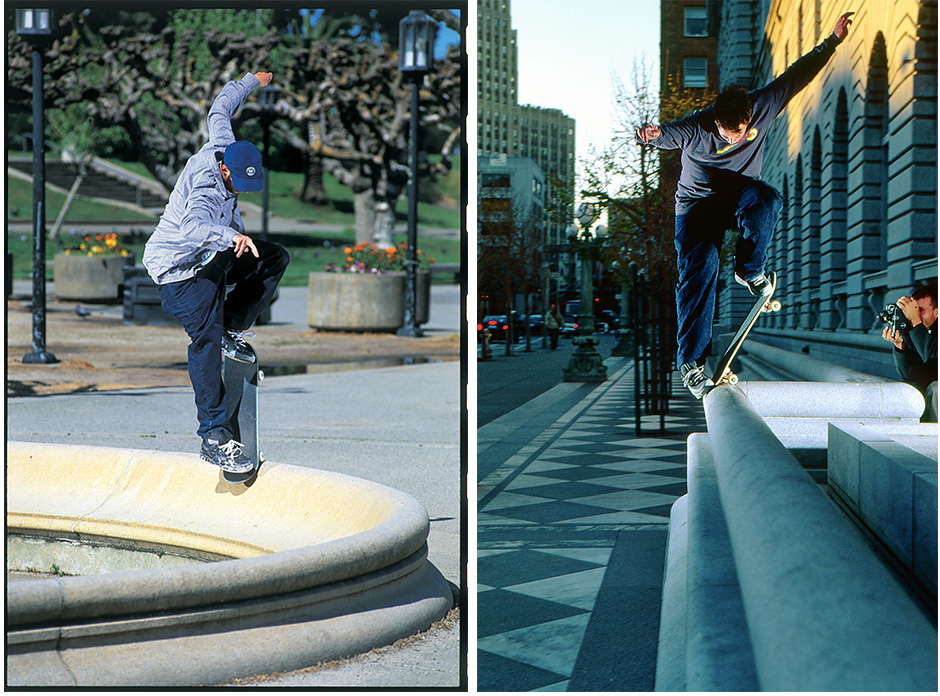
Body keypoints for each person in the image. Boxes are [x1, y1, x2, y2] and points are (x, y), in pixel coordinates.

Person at [636, 12, 854, 398]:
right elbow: (668, 134)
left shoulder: (763, 104)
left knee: (768, 198)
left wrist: (831, 42)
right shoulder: (697, 127)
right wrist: (653, 136)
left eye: (737, 134)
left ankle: (749, 270)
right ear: (715, 121)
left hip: (738, 195)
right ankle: (690, 362)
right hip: (696, 209)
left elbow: (796, 75)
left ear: (749, 117)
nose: (730, 139)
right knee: (701, 267)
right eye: (724, 133)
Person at [142, 70, 290, 474]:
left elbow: (220, 108)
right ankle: (212, 435)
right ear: (224, 171)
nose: (240, 191)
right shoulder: (207, 185)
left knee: (274, 257)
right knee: (203, 340)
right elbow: (192, 229)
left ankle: (232, 326)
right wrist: (228, 236)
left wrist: (251, 81)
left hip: (214, 255)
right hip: (178, 273)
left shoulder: (226, 144)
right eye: (237, 184)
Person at [882, 284, 938, 422]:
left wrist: (915, 321)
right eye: (913, 310)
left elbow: (933, 355)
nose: (916, 315)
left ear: (936, 312)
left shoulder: (918, 329)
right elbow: (910, 375)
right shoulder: (915, 331)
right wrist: (900, 346)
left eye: (921, 310)